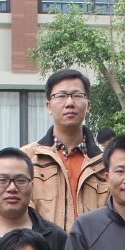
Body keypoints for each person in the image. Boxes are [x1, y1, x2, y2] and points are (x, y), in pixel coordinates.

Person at [25, 68, 109, 231]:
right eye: (61, 96)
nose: (69, 102)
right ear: (49, 106)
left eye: (77, 95)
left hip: (91, 247)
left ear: (88, 105)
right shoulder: (27, 158)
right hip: (42, 246)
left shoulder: (105, 163)